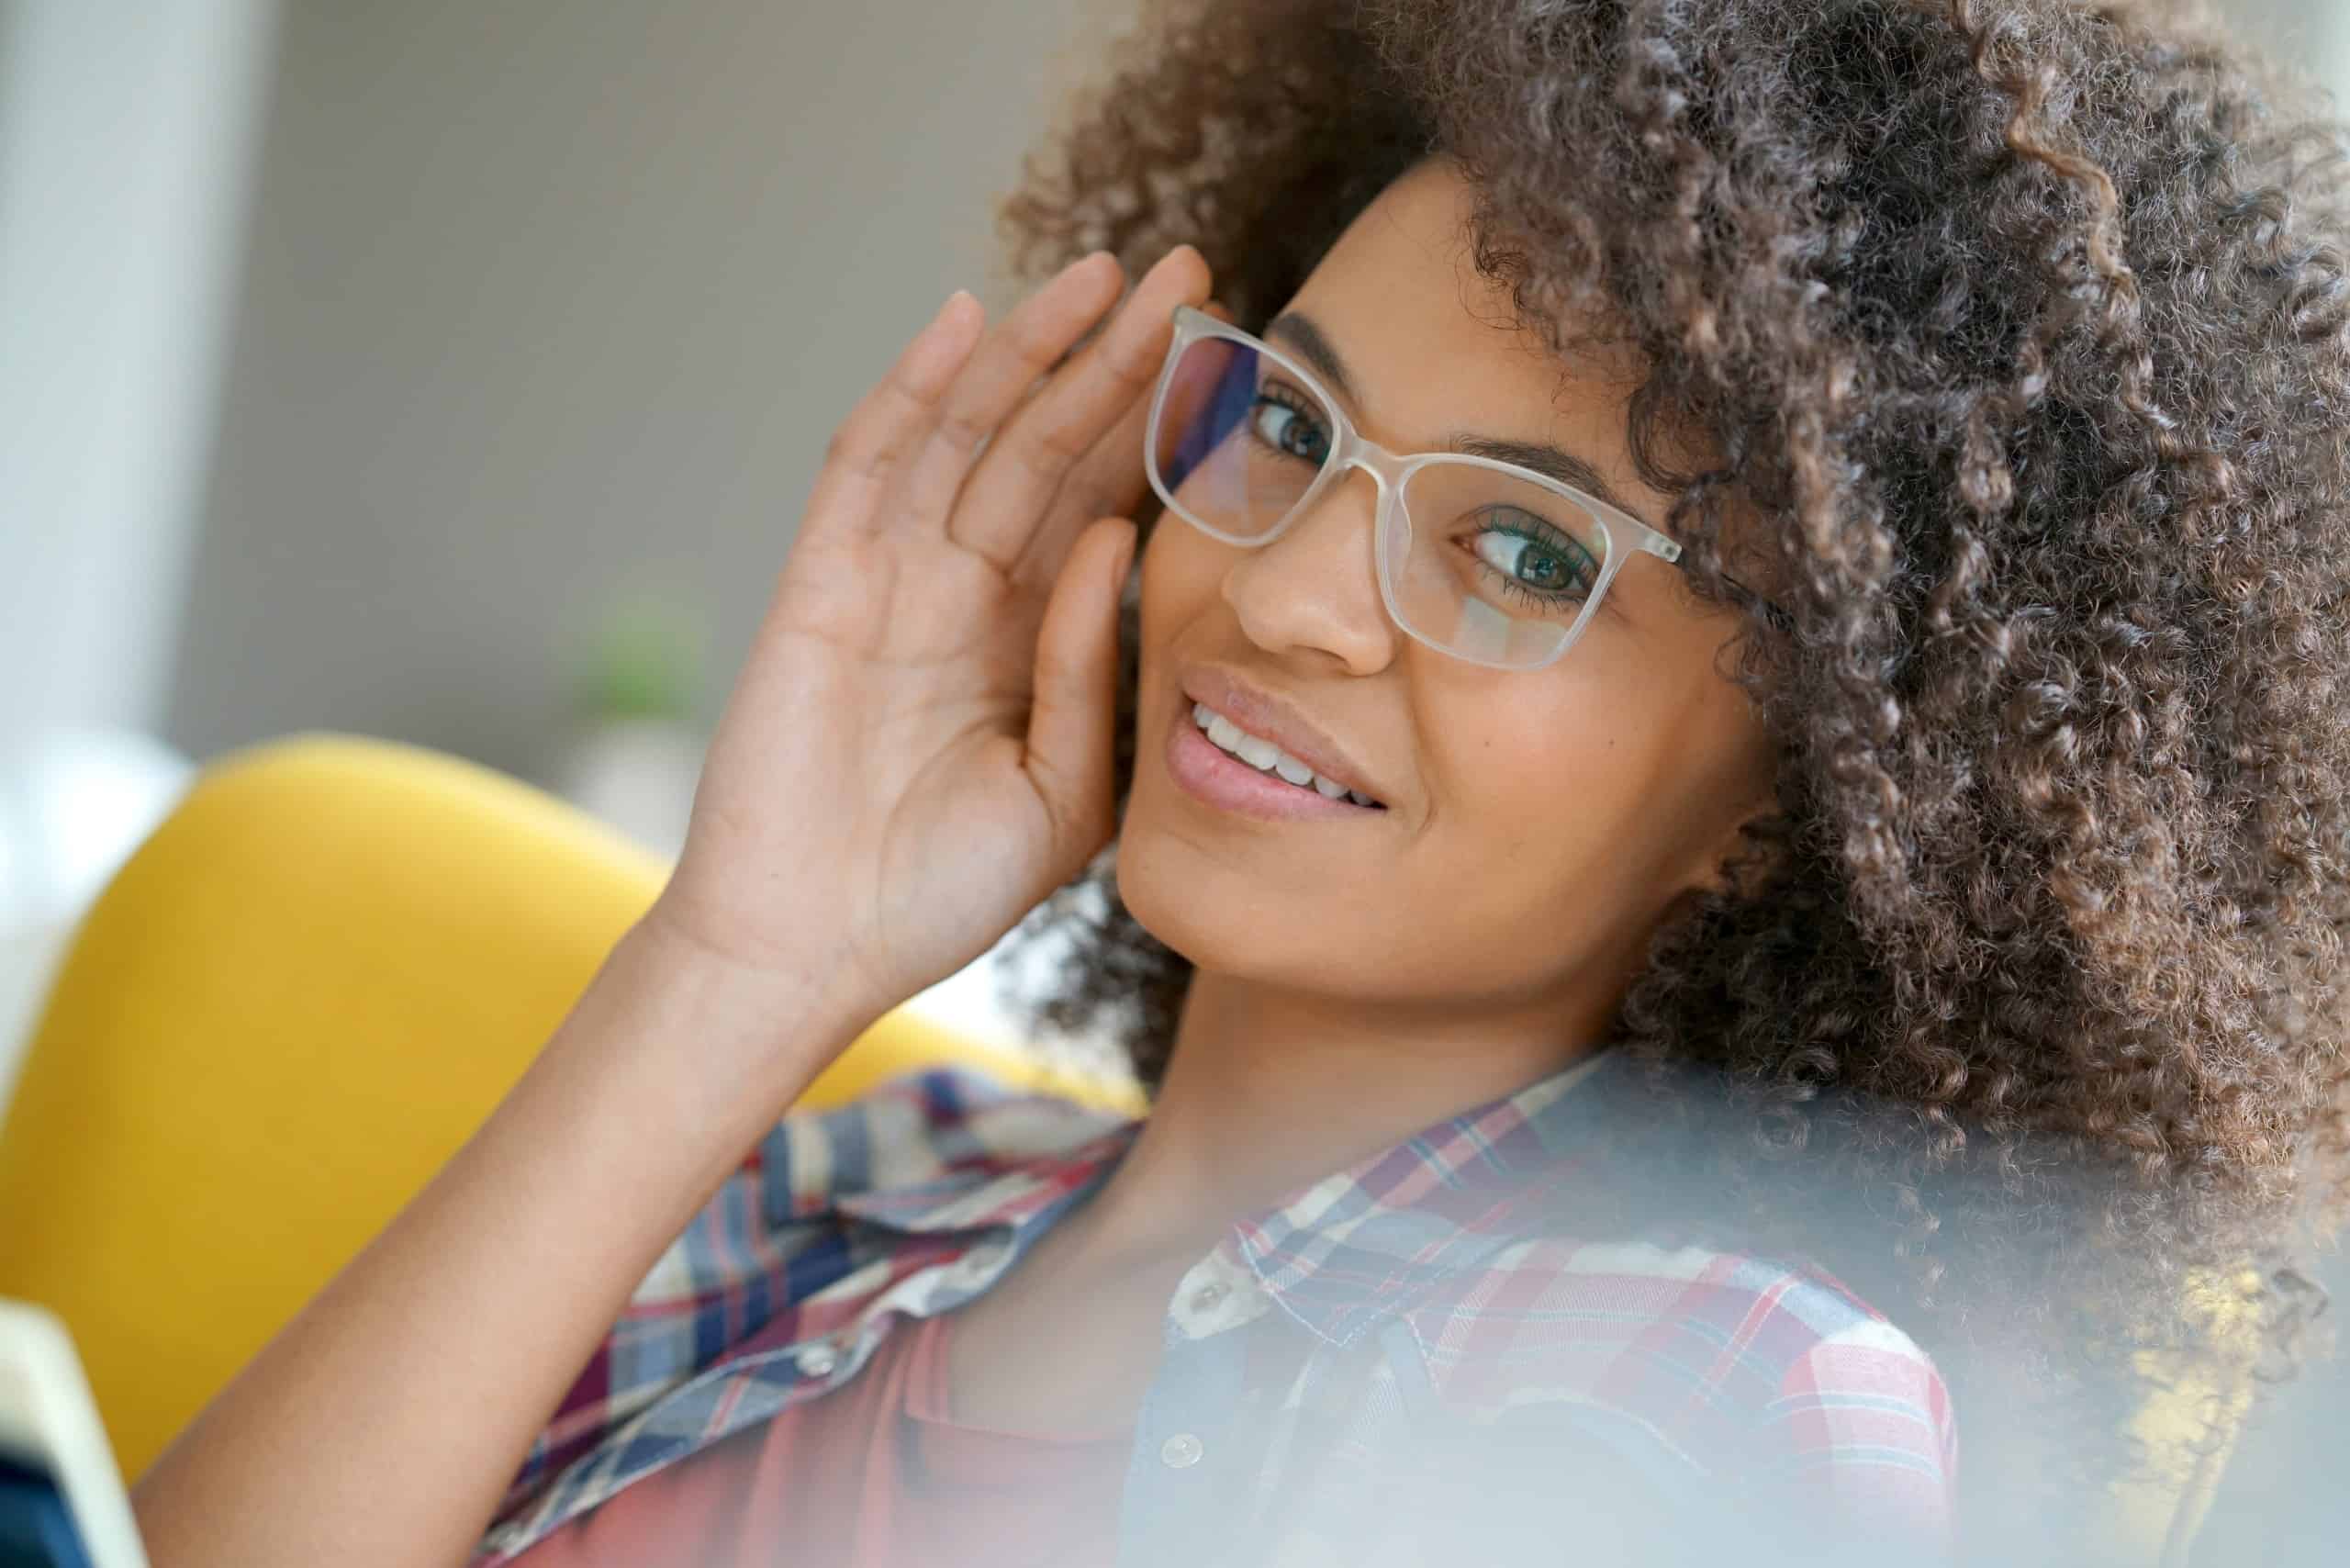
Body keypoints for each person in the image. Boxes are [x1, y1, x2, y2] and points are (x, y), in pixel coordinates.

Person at [128, 1, 2350, 1564]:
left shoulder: (1703, 1385)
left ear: (1810, 802)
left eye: (1519, 550)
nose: (1283, 593)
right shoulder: (864, 1190)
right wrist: (740, 955)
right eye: (1288, 425)